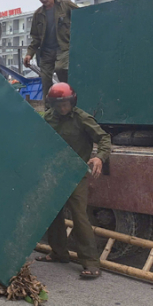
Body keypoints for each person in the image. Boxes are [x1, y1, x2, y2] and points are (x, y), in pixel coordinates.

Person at [36, 83, 110, 279]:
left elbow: (104, 138)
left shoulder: (81, 118)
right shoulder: (48, 119)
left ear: (73, 102)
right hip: (55, 173)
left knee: (79, 216)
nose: (63, 108)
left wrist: (99, 157)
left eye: (67, 104)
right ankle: (59, 253)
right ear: (52, 104)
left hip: (75, 174)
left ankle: (91, 262)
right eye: (59, 105)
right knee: (52, 213)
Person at [23, 0, 79, 102]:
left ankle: (69, 98)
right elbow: (36, 38)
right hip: (46, 52)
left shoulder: (66, 5)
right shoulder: (38, 14)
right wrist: (29, 54)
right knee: (45, 79)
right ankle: (50, 109)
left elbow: (83, 17)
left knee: (61, 69)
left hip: (64, 48)